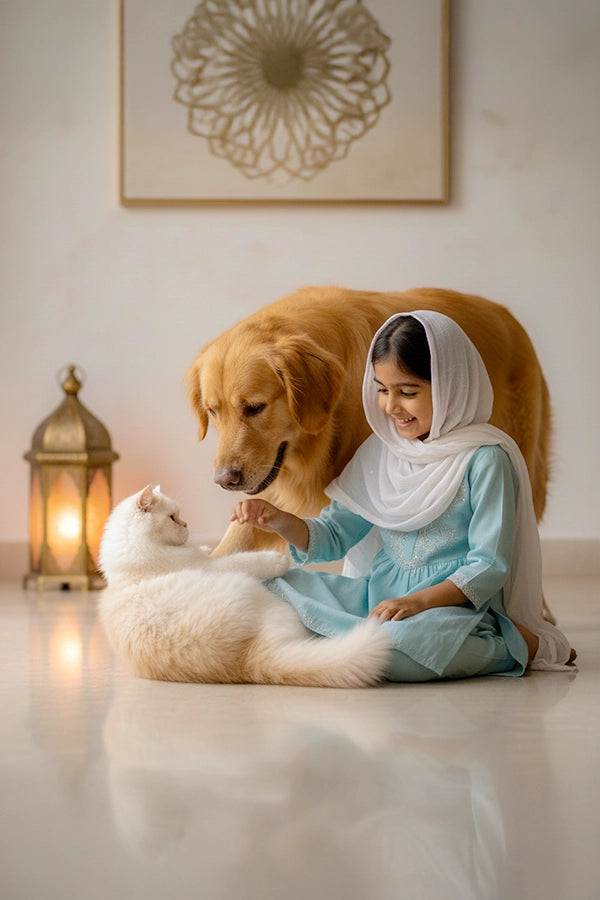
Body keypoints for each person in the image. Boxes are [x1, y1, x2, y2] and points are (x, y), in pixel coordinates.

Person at [231, 311, 575, 681]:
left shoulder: (485, 458)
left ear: (449, 385)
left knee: (387, 652)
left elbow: (490, 564)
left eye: (407, 392)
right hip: (377, 599)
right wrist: (278, 519)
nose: (391, 407)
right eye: (382, 390)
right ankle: (355, 637)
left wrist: (418, 602)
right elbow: (334, 535)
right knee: (261, 586)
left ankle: (509, 646)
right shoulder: (382, 451)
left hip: (451, 610)